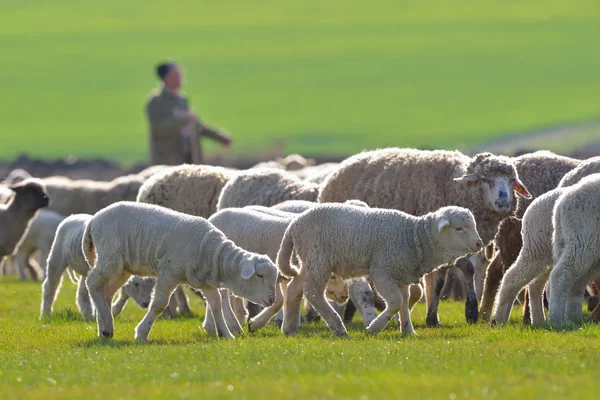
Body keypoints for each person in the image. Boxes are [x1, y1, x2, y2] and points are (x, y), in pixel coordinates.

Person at [145, 62, 232, 165]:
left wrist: (219, 137)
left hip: (189, 157)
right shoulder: (157, 101)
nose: (180, 77)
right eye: (176, 75)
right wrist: (184, 119)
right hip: (168, 160)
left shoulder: (182, 100)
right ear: (166, 78)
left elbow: (197, 126)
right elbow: (159, 127)